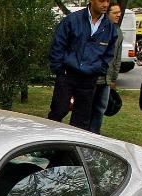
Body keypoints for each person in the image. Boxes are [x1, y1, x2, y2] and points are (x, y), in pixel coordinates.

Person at [47, 0, 117, 130]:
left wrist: (97, 70)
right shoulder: (72, 20)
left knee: (82, 120)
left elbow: (109, 55)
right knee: (58, 112)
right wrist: (60, 70)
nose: (106, 5)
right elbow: (57, 46)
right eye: (102, 0)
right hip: (67, 75)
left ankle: (74, 148)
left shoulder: (109, 28)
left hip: (89, 79)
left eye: (108, 1)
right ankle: (48, 145)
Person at [88, 1, 123, 134]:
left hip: (107, 79)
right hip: (94, 76)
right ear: (107, 14)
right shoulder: (98, 29)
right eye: (115, 13)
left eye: (119, 12)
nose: (118, 15)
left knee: (101, 108)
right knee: (88, 107)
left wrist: (114, 78)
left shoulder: (118, 32)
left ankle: (95, 133)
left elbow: (117, 58)